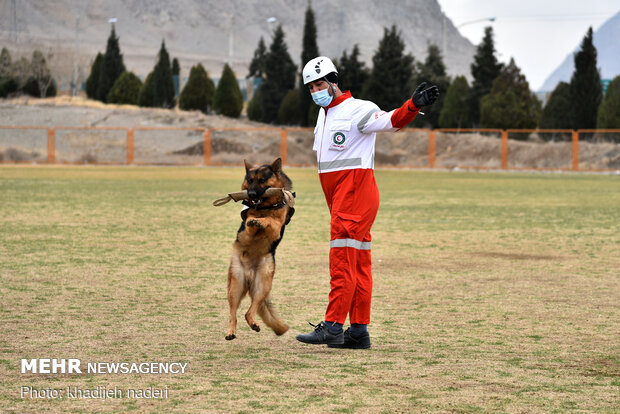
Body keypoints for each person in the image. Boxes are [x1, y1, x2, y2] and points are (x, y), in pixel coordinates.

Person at [295, 56, 439, 349]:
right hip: (343, 198)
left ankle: (334, 326)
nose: (315, 91)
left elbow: (391, 121)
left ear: (334, 81)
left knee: (341, 261)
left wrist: (413, 106)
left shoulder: (358, 109)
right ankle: (358, 331)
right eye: (310, 87)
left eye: (319, 84)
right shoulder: (323, 116)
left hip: (354, 195)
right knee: (358, 263)